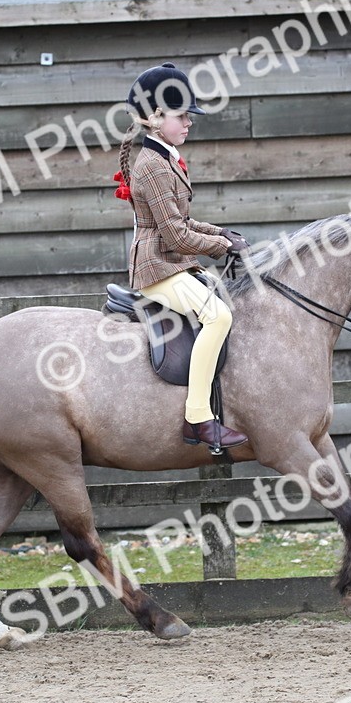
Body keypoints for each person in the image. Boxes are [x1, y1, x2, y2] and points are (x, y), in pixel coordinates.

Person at [114, 62, 250, 450]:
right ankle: (198, 419)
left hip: (171, 262)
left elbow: (183, 220)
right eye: (182, 116)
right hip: (157, 267)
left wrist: (221, 233)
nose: (189, 122)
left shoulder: (166, 158)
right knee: (218, 316)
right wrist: (221, 247)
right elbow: (175, 235)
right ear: (156, 119)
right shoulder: (153, 166)